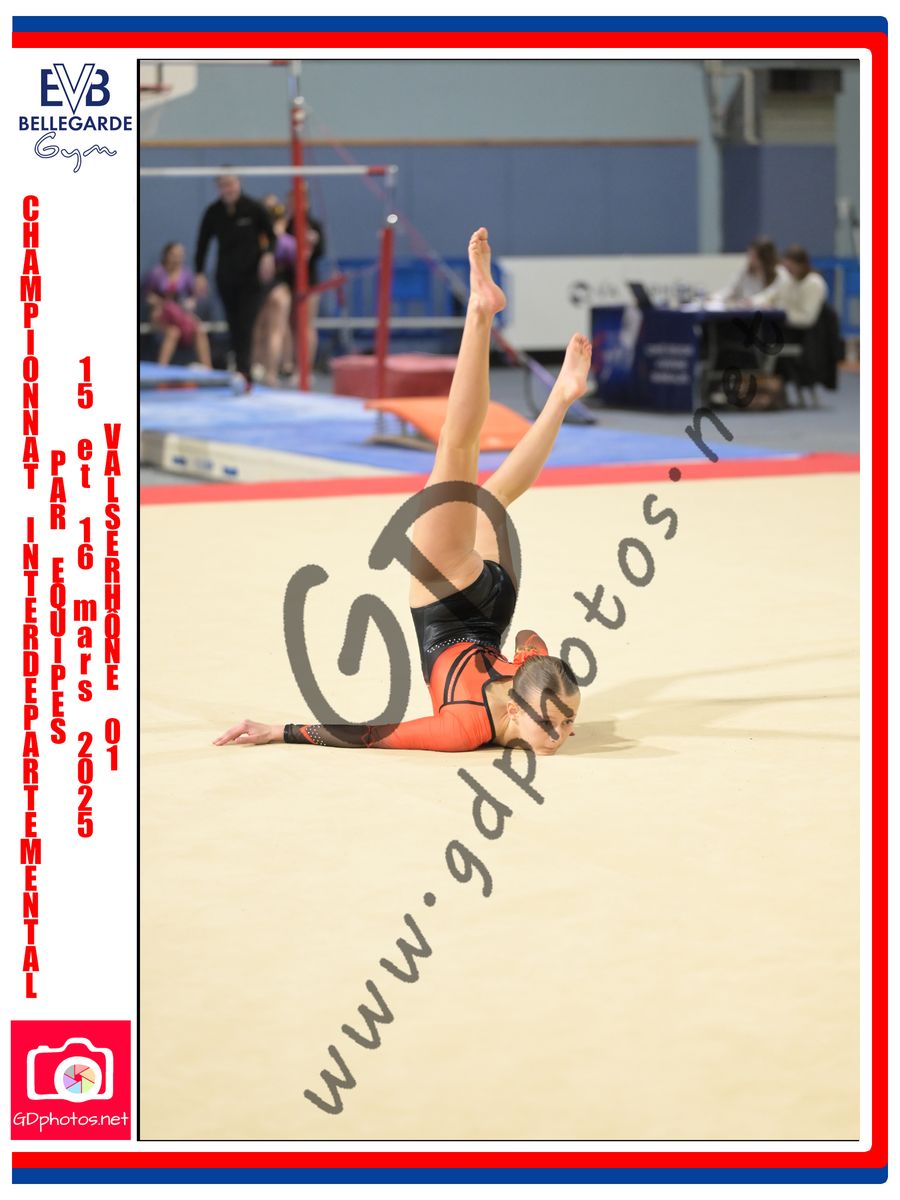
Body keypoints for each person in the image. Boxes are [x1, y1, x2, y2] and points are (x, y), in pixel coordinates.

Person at [214, 228, 592, 755]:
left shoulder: (497, 705)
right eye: (556, 722)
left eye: (566, 723)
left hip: (495, 603)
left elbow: (527, 642)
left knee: (495, 494)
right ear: (513, 709)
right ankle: (479, 310)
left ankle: (562, 396)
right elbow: (375, 732)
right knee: (456, 449)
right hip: (446, 597)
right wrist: (281, 730)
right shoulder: (468, 726)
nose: (563, 734)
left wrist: (281, 729)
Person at [193, 174, 276, 387]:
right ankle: (239, 368)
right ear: (218, 188)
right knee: (234, 323)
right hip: (226, 276)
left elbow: (272, 236)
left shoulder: (253, 208)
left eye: (230, 184)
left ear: (238, 184)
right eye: (223, 185)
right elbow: (202, 243)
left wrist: (268, 255)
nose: (227, 189)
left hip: (251, 278)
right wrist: (199, 272)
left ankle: (244, 371)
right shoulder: (213, 212)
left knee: (246, 323)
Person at [252, 196, 297, 386]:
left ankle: (256, 366)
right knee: (276, 331)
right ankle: (271, 372)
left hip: (261, 286)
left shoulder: (258, 238)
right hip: (279, 286)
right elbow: (298, 265)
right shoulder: (286, 241)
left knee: (259, 329)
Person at [144, 241, 212, 368]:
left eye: (180, 255)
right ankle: (161, 370)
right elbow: (148, 296)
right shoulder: (156, 273)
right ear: (166, 255)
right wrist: (162, 303)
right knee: (173, 333)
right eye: (174, 254)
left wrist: (191, 302)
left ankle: (209, 370)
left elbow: (194, 296)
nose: (177, 258)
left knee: (199, 330)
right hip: (161, 315)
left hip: (180, 314)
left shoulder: (186, 274)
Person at [751, 244, 828, 330]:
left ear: (801, 265)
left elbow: (807, 319)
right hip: (786, 327)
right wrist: (752, 301)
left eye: (790, 268)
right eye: (787, 268)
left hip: (803, 332)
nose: (788, 271)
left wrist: (780, 313)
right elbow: (769, 295)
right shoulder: (788, 280)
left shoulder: (814, 283)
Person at [712, 236, 788, 305]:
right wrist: (715, 297)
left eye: (754, 256)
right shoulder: (745, 272)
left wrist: (751, 301)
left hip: (770, 313)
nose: (750, 258)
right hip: (747, 312)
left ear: (765, 258)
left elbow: (771, 295)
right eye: (750, 254)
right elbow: (731, 290)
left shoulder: (780, 274)